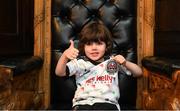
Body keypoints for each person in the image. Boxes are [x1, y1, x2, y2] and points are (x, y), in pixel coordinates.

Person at [55, 21, 142, 110]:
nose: (94, 48)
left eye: (99, 43)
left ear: (106, 46)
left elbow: (138, 72)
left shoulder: (113, 61)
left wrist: (125, 63)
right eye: (89, 44)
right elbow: (59, 72)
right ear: (83, 47)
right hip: (82, 104)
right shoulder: (79, 63)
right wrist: (65, 56)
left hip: (108, 104)